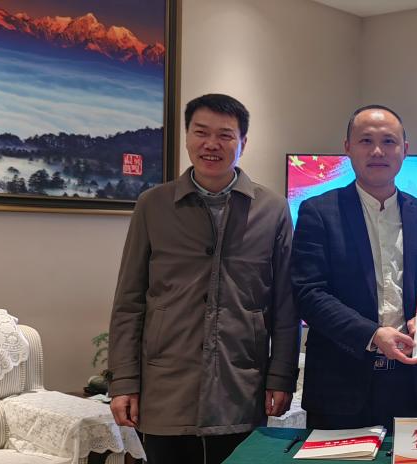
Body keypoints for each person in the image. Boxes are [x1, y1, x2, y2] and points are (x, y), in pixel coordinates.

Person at [107, 93, 301, 464]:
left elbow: (285, 304)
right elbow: (129, 302)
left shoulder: (272, 209)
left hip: (241, 386)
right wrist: (125, 381)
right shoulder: (153, 204)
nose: (212, 144)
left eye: (225, 135)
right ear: (187, 137)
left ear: (243, 143)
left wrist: (281, 376)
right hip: (166, 388)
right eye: (201, 132)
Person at [291, 105, 417, 430]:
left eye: (388, 141)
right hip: (339, 386)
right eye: (366, 141)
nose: (378, 151)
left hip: (411, 383)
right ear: (348, 147)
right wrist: (372, 335)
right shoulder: (318, 212)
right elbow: (307, 293)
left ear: (405, 149)